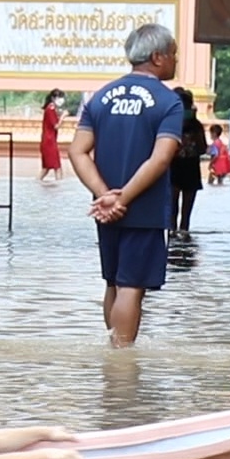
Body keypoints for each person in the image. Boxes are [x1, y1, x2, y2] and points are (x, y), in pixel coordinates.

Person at [70, 24, 184, 348]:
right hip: (143, 209)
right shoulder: (169, 102)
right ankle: (122, 362)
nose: (175, 61)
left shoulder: (100, 98)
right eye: (174, 54)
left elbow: (77, 151)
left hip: (105, 211)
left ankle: (113, 353)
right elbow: (160, 159)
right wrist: (124, 198)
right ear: (158, 57)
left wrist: (105, 195)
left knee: (113, 283)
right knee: (132, 286)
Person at [169, 87, 208, 236]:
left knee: (173, 203)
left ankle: (173, 230)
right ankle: (183, 230)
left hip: (176, 166)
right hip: (189, 167)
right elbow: (203, 148)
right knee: (186, 207)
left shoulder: (170, 123)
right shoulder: (196, 125)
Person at [39, 90, 66, 183]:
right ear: (53, 98)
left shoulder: (51, 108)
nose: (62, 100)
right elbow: (56, 126)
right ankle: (59, 188)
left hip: (48, 140)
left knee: (46, 168)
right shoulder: (50, 108)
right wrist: (63, 117)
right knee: (57, 167)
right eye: (60, 97)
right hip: (49, 142)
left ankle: (36, 183)